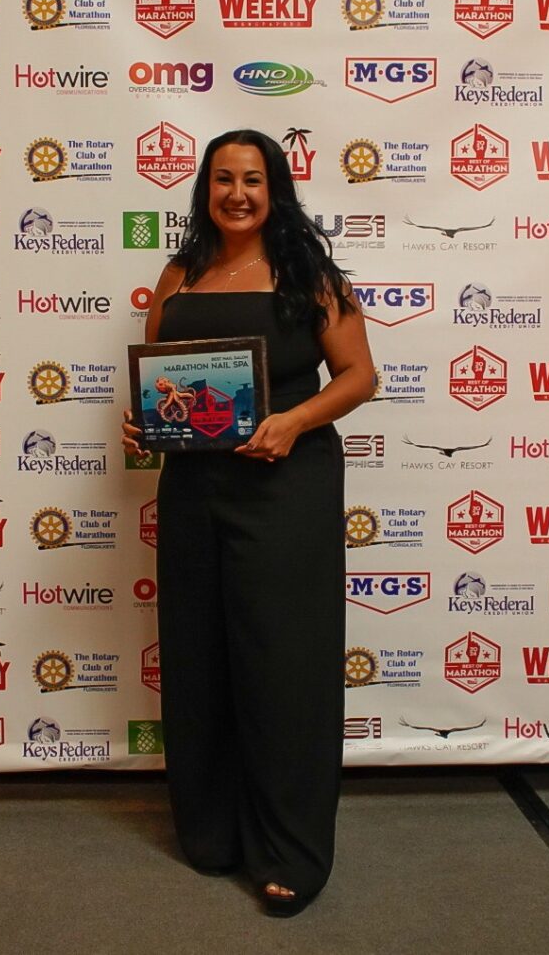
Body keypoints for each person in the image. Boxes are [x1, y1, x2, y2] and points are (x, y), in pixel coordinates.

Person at [122, 129, 374, 916]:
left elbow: (361, 375)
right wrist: (142, 426)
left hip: (285, 487)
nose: (237, 193)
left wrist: (295, 420)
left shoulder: (309, 274)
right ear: (205, 189)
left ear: (276, 190)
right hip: (194, 488)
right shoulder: (179, 273)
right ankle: (213, 830)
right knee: (200, 655)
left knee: (282, 666)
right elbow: (163, 380)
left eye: (253, 179)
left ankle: (292, 849)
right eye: (223, 178)